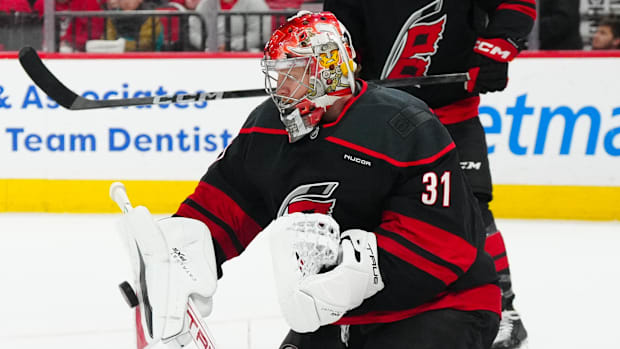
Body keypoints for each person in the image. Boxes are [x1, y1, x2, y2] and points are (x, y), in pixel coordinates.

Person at [119, 11, 501, 349]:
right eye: (278, 75)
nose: (280, 88)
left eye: (293, 74)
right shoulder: (267, 126)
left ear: (329, 69)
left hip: (445, 306)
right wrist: (186, 248)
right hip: (337, 313)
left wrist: (357, 274)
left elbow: (442, 240)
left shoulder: (402, 124)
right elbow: (230, 198)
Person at [322, 1, 533, 348]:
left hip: (452, 116)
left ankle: (504, 309)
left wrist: (496, 47)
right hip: (383, 118)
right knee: (367, 213)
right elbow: (337, 36)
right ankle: (370, 312)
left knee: (474, 215)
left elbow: (517, 4)